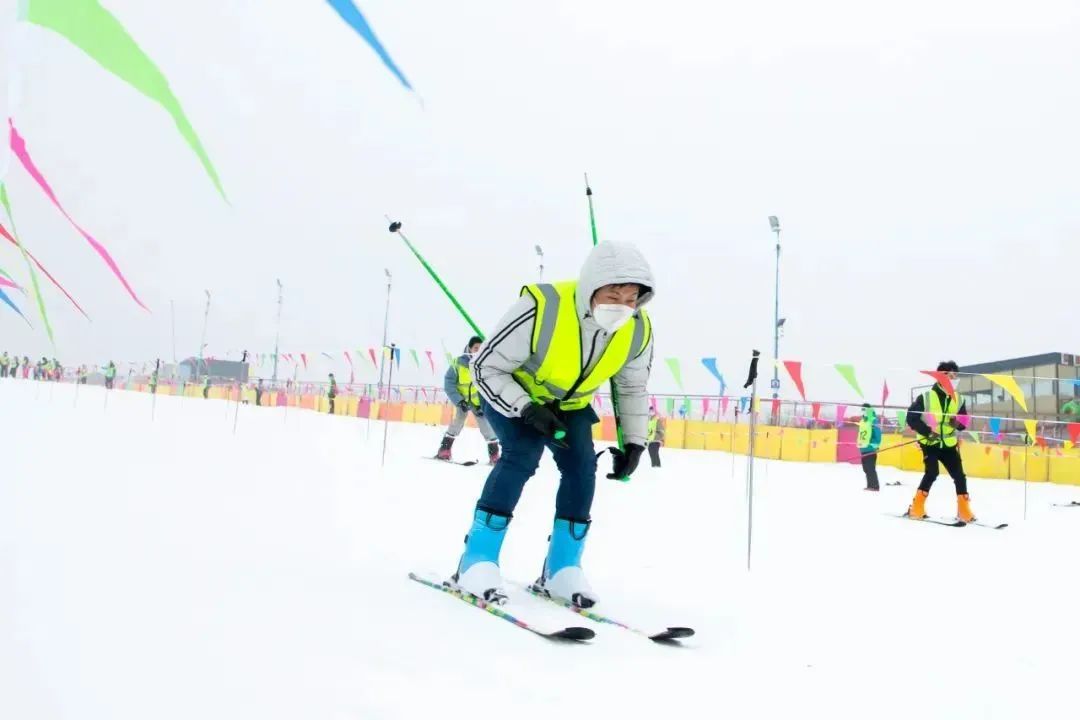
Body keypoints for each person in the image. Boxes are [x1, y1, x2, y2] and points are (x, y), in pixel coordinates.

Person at [453, 241, 655, 607]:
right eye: (614, 293)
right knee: (522, 455)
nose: (622, 305)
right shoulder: (543, 306)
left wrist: (635, 441)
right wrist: (527, 409)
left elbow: (631, 385)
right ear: (592, 285)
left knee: (582, 467)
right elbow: (486, 367)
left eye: (631, 298)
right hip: (515, 392)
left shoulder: (637, 329)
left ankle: (562, 569)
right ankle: (477, 560)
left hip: (570, 405)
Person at [905, 360, 974, 522]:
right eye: (951, 376)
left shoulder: (959, 399)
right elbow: (911, 418)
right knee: (932, 472)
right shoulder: (926, 397)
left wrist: (954, 423)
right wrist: (928, 432)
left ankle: (964, 510)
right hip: (930, 443)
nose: (954, 379)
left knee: (959, 476)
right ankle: (916, 508)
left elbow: (964, 423)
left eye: (956, 376)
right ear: (941, 377)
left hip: (949, 443)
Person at [435, 336, 501, 465]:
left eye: (480, 348)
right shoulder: (457, 363)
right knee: (457, 421)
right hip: (462, 400)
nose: (478, 351)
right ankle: (444, 449)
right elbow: (449, 384)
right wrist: (459, 401)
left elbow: (489, 385)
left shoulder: (485, 365)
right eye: (475, 348)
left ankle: (494, 455)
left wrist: (484, 404)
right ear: (469, 349)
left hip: (478, 403)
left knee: (487, 426)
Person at [855, 403, 882, 491]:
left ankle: (874, 486)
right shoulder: (863, 421)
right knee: (866, 468)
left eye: (864, 410)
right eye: (862, 410)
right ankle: (870, 485)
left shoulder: (873, 420)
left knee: (870, 468)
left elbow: (877, 434)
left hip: (870, 448)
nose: (862, 412)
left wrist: (874, 444)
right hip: (863, 448)